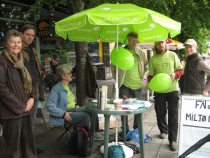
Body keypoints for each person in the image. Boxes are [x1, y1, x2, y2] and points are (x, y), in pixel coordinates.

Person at [0, 29, 37, 157]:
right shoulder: (2, 61)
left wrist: (32, 98)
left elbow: (34, 80)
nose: (16, 45)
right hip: (11, 113)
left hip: (28, 109)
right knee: (13, 149)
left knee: (29, 145)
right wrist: (21, 106)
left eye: (18, 42)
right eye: (12, 42)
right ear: (6, 44)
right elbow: (1, 87)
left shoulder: (23, 61)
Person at [46, 64, 104, 140]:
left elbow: (69, 100)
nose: (71, 74)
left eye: (71, 73)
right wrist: (63, 114)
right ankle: (87, 136)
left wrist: (76, 105)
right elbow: (50, 106)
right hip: (64, 112)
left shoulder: (68, 86)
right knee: (85, 116)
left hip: (72, 109)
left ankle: (95, 132)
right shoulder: (56, 89)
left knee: (93, 110)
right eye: (69, 73)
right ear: (63, 76)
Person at [147, 40, 183, 151]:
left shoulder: (173, 55)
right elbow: (150, 76)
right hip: (159, 91)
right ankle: (163, 130)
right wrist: (150, 83)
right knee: (160, 112)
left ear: (165, 43)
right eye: (158, 43)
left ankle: (173, 140)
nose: (160, 45)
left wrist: (175, 74)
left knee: (173, 114)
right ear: (155, 45)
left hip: (173, 90)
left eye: (162, 42)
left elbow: (180, 70)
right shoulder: (153, 59)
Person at [111, 32, 148, 132]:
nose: (135, 43)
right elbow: (113, 66)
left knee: (138, 109)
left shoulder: (141, 52)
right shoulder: (121, 52)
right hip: (124, 84)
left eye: (136, 41)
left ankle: (137, 129)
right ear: (128, 40)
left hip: (137, 84)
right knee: (123, 108)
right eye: (132, 40)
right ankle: (125, 130)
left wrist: (142, 76)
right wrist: (118, 79)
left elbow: (145, 65)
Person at [20, 24, 45, 153]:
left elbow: (36, 67)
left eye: (32, 35)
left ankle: (30, 148)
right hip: (24, 90)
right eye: (27, 35)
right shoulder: (17, 50)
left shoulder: (32, 49)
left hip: (35, 87)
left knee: (31, 121)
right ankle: (26, 149)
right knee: (25, 122)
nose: (30, 38)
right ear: (21, 34)